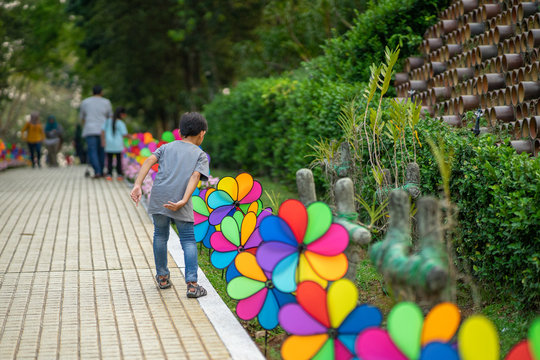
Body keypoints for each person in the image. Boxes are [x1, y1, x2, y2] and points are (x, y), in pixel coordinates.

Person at [130, 112, 209, 297]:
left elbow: (149, 160)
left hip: (159, 198)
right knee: (188, 240)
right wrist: (183, 200)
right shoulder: (200, 154)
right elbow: (195, 176)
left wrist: (137, 184)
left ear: (181, 131)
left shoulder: (166, 147)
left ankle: (163, 278)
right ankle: (192, 285)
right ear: (202, 134)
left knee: (160, 235)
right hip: (179, 199)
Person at [79, 85, 112, 178]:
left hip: (90, 130)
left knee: (92, 151)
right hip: (103, 130)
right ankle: (101, 171)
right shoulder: (106, 102)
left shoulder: (85, 102)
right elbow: (110, 117)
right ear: (101, 92)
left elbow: (82, 118)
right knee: (102, 151)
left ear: (92, 92)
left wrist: (84, 126)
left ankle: (97, 171)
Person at [101, 106, 128, 180]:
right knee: (119, 159)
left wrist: (103, 141)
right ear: (121, 114)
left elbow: (102, 131)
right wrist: (131, 137)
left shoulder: (107, 121)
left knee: (109, 159)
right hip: (118, 144)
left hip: (109, 143)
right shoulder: (120, 123)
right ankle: (119, 175)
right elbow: (124, 134)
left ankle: (109, 174)